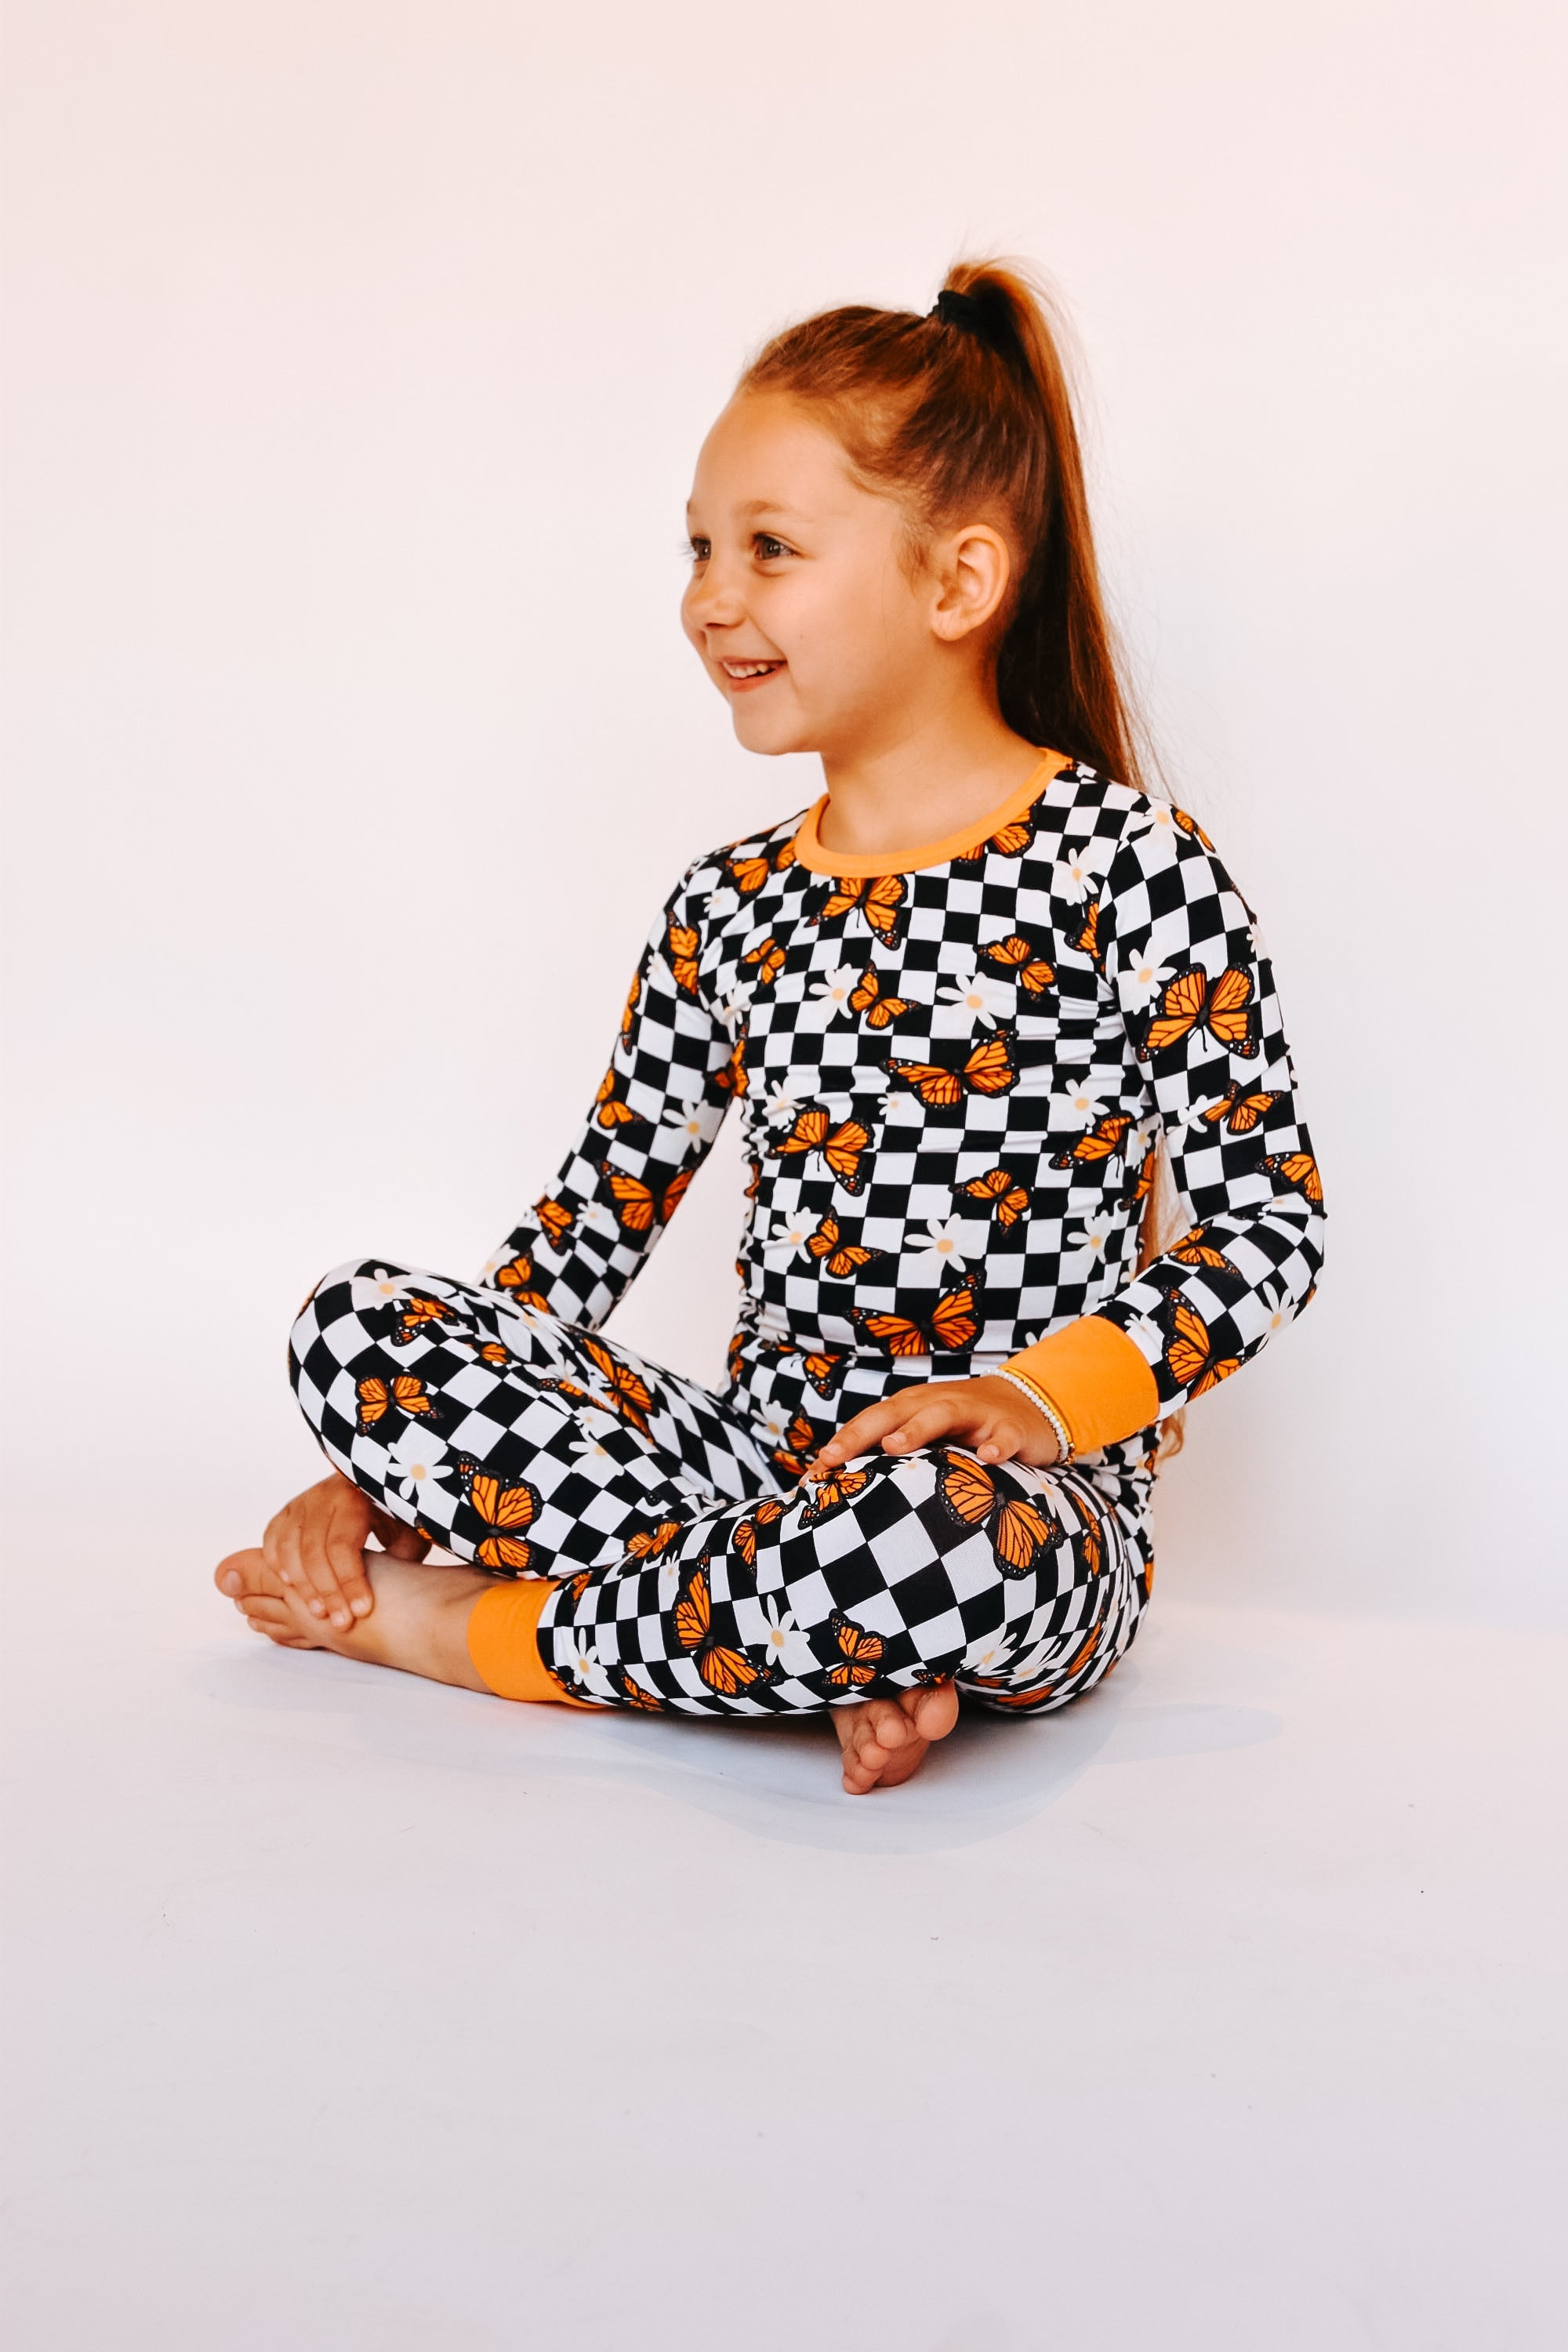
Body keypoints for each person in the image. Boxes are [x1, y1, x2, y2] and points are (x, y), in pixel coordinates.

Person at [216, 261, 1324, 1795]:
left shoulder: (1129, 868)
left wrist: (1033, 1400)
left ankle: (473, 1635)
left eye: (770, 549)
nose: (709, 599)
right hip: (749, 1477)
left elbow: (1269, 1228)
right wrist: (384, 1477)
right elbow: (588, 1229)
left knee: (930, 1540)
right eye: (698, 549)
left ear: (957, 584)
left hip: (1015, 1516)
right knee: (356, 1329)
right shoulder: (726, 907)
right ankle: (810, 1649)